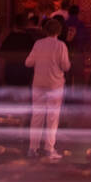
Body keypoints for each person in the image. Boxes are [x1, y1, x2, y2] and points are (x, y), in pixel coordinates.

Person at [25, 17, 70, 159]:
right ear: (58, 31)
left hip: (38, 84)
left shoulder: (38, 44)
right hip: (55, 85)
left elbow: (28, 62)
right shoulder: (61, 46)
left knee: (37, 116)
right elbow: (65, 66)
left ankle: (32, 148)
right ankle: (49, 149)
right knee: (52, 118)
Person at [1, 14, 37, 89]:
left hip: (11, 72)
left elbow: (2, 57)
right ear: (26, 25)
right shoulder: (29, 38)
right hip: (25, 72)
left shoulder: (10, 37)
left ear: (15, 25)